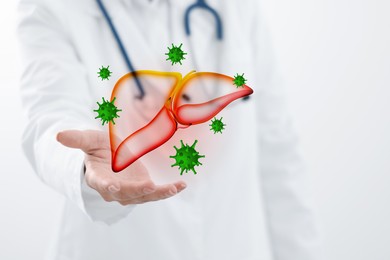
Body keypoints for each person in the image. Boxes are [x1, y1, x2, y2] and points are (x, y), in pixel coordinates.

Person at [17, 0, 322, 259]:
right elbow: (51, 113)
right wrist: (84, 167)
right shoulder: (52, 7)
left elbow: (279, 155)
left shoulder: (234, 7)